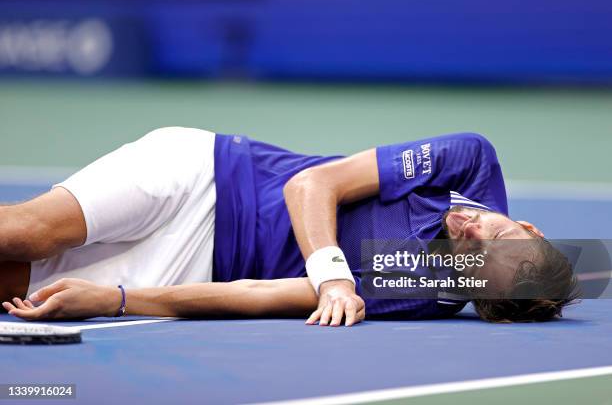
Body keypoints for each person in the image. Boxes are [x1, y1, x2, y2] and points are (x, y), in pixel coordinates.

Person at [0, 127, 577, 325]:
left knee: (18, 287)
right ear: (525, 224)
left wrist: (119, 299)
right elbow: (312, 184)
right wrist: (335, 277)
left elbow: (268, 295)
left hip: (202, 262)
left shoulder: (424, 287)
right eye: (496, 234)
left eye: (473, 258)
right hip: (208, 173)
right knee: (26, 234)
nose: (471, 233)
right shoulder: (471, 160)